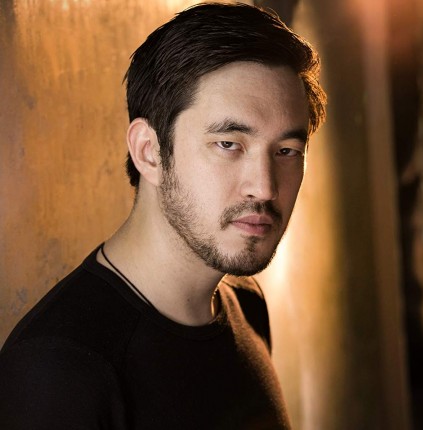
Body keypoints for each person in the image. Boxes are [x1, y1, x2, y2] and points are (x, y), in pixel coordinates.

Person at [0, 3, 326, 429]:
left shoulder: (246, 303)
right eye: (229, 144)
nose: (264, 188)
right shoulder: (58, 371)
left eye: (286, 151)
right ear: (149, 151)